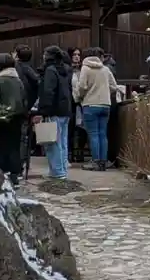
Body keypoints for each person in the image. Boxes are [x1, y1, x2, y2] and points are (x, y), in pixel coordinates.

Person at [75, 46, 121, 170]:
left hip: (90, 104)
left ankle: (95, 161)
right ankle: (103, 162)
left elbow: (82, 86)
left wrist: (81, 96)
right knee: (102, 134)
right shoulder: (105, 69)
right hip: (105, 105)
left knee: (93, 134)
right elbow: (114, 86)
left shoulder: (85, 68)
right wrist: (104, 91)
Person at [0, 53, 28, 184]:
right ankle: (14, 175)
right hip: (17, 119)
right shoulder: (19, 81)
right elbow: (24, 100)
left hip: (0, 119)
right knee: (14, 147)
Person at [35, 45, 74, 180]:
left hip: (54, 110)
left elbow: (48, 92)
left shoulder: (50, 70)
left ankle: (57, 172)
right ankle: (62, 170)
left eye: (44, 54)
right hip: (66, 110)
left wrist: (42, 111)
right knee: (62, 143)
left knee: (53, 143)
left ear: (48, 56)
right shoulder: (66, 70)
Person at [14, 45, 41, 178]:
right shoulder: (30, 70)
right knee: (23, 138)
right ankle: (20, 166)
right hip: (26, 107)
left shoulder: (16, 68)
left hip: (18, 107)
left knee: (19, 138)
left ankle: (17, 166)